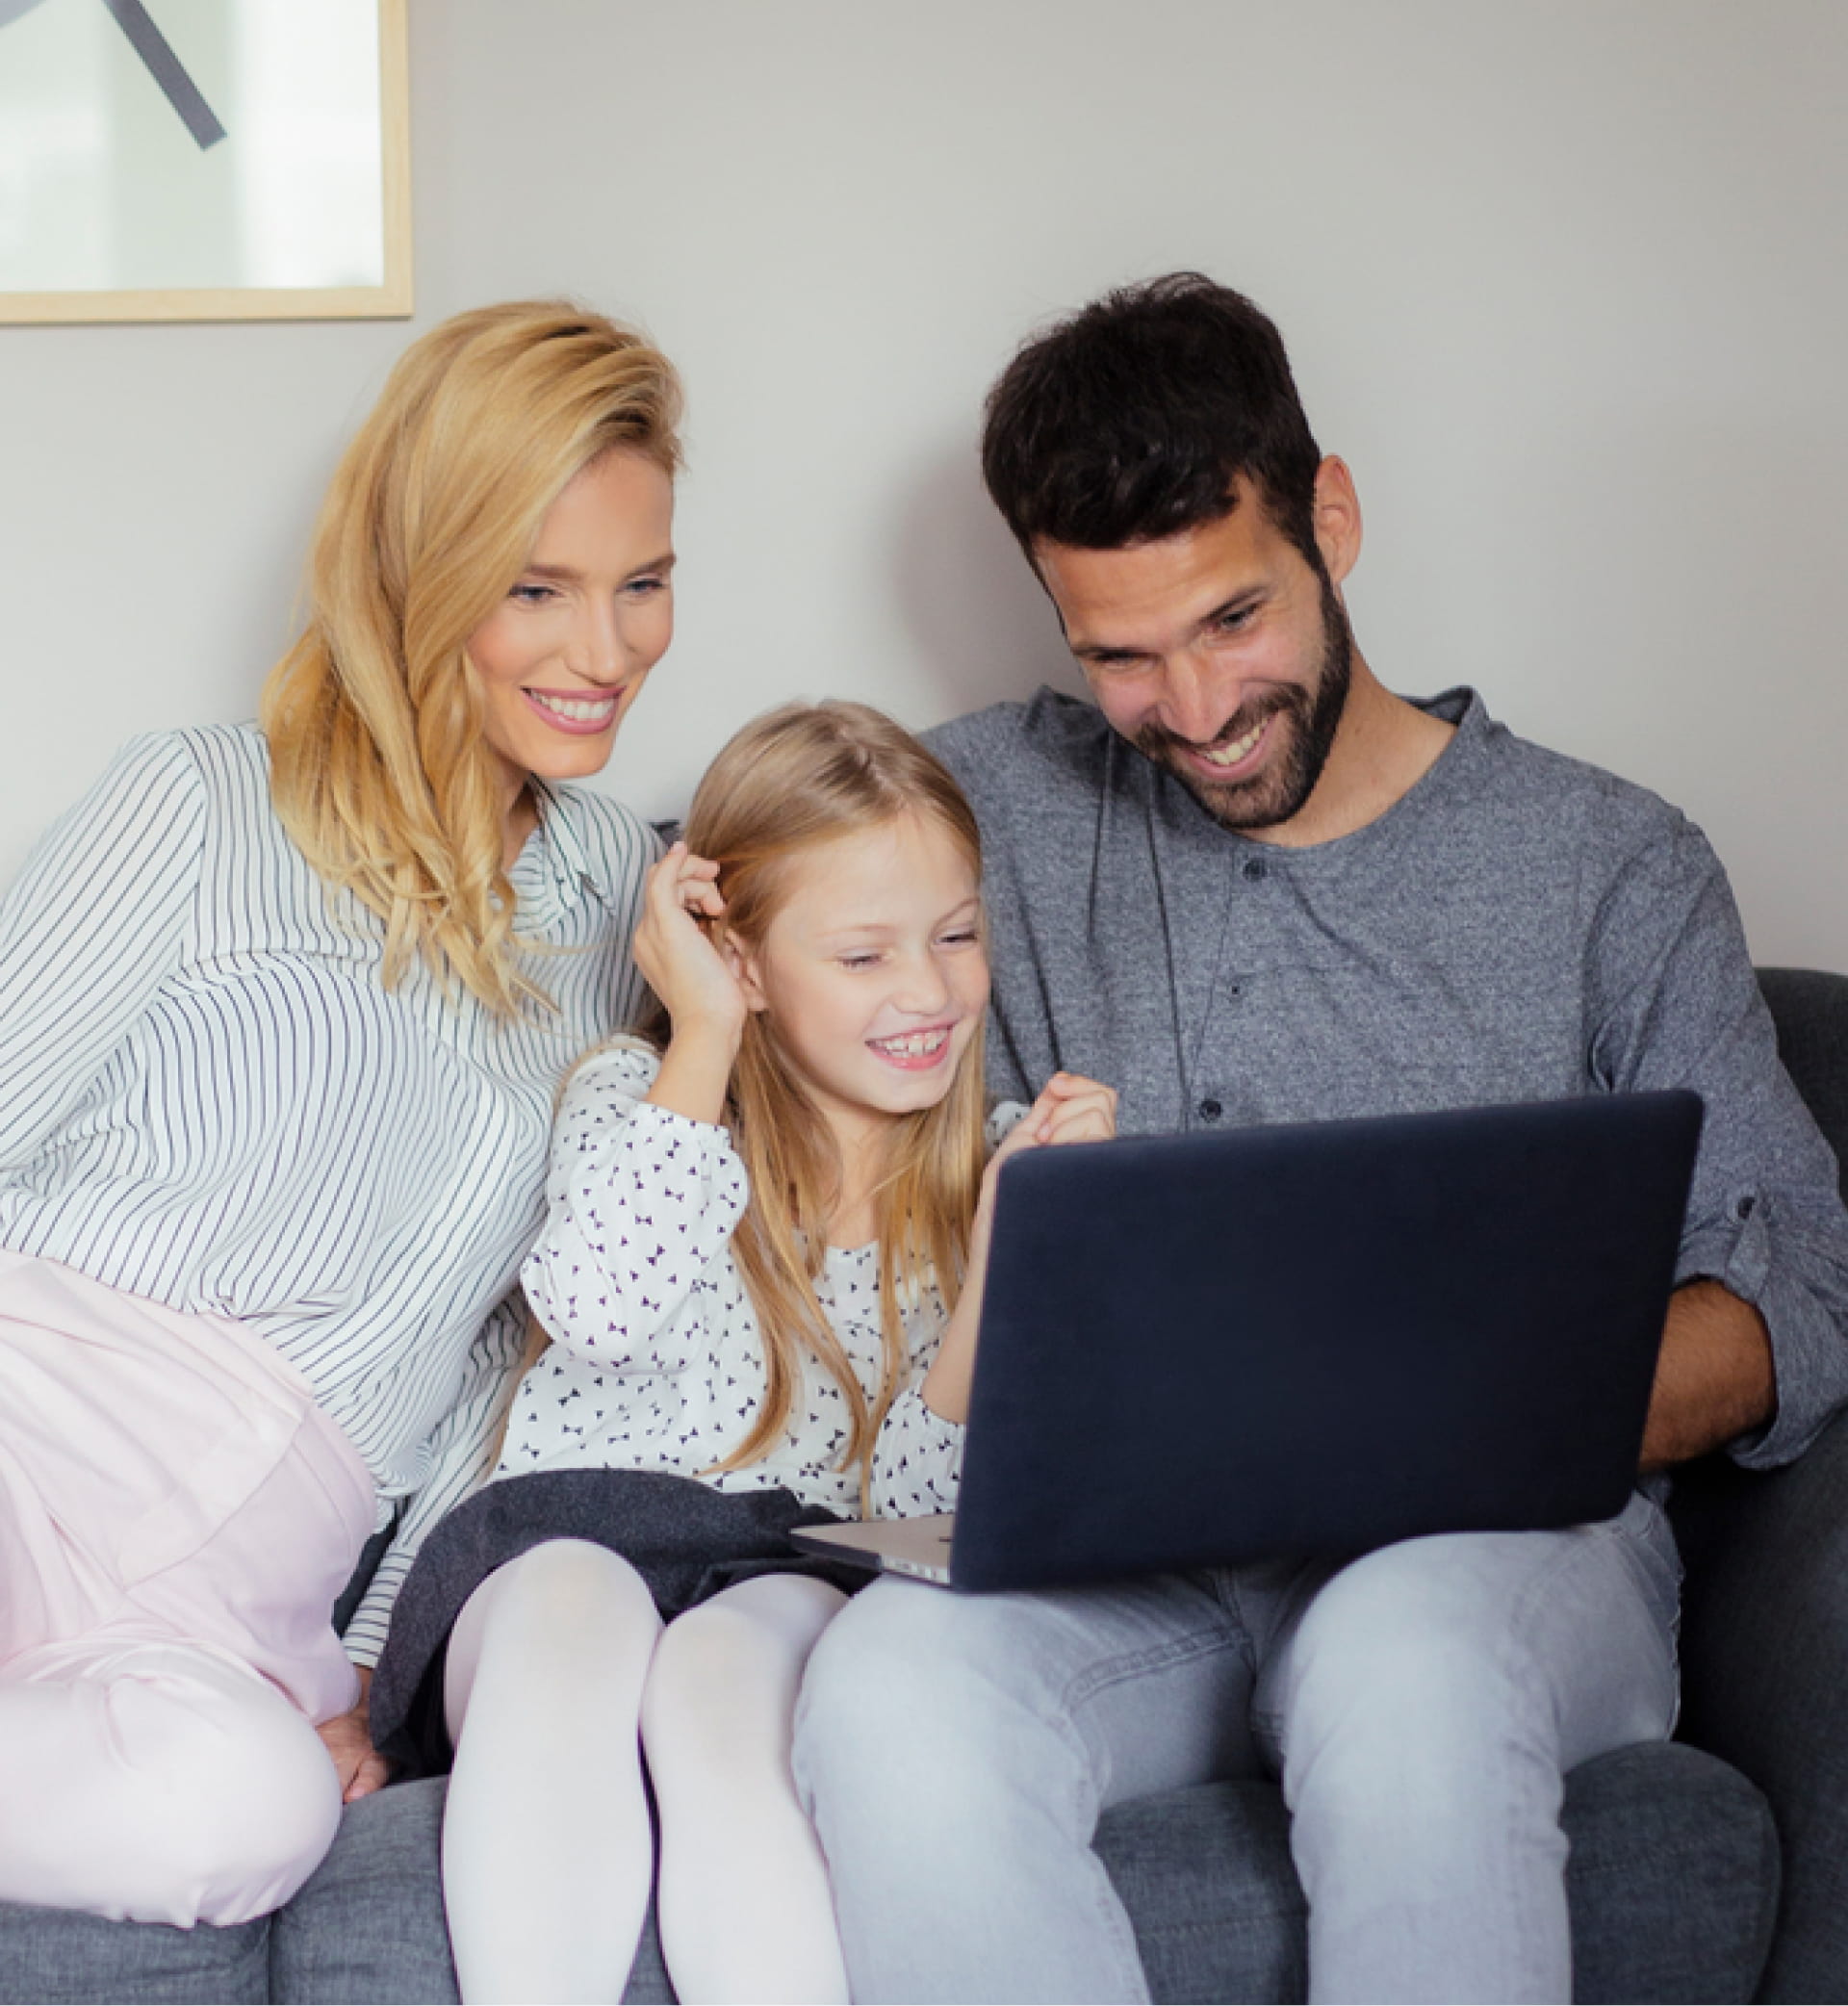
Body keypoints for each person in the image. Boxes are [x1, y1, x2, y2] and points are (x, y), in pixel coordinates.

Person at [790, 274, 1848, 2004]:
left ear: (1330, 516)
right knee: (890, 1682)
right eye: (1119, 655)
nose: (1193, 708)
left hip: (1502, 1571)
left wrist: (1468, 1420)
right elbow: (763, 879)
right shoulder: (985, 813)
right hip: (1141, 1574)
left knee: (1398, 1653)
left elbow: (1798, 1283)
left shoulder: (1607, 865)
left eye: (1232, 621)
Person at [0, 298, 681, 1929]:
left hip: (233, 1590)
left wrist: (370, 1649)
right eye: (536, 590)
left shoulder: (623, 915)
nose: (607, 653)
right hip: (35, 1429)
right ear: (418, 569)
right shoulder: (196, 806)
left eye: (642, 583)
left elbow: (510, 1356)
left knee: (243, 1821)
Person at [366, 700, 1115, 2004]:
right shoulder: (642, 1097)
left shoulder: (998, 1168)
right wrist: (702, 1033)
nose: (931, 994)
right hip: (560, 1540)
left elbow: (925, 1532)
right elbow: (593, 1308)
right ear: (744, 961)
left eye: (954, 936)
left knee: (739, 1671)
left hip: (794, 1560)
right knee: (570, 1608)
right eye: (865, 956)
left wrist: (1018, 1258)